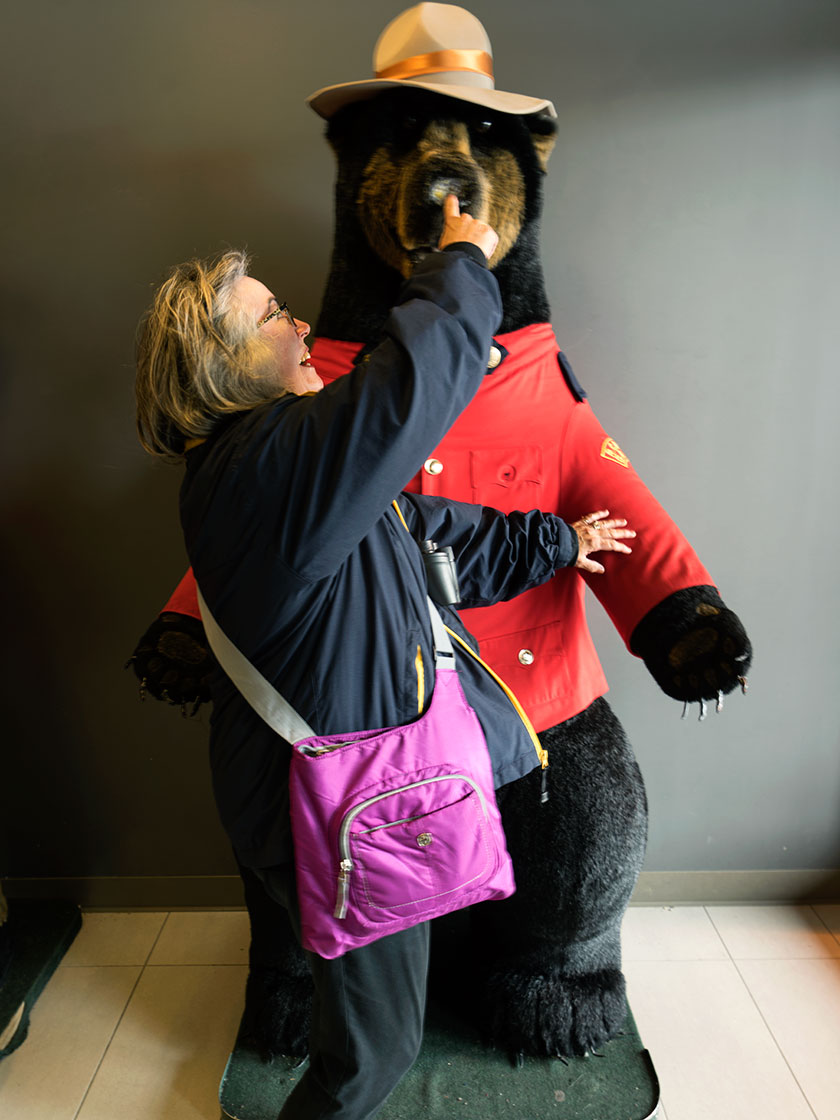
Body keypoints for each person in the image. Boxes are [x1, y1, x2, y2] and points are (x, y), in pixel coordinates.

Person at [135, 196, 634, 1120]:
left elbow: (432, 537)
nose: (301, 325)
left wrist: (558, 545)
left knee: (368, 1028)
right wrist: (458, 260)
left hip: (357, 802)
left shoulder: (294, 479)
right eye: (270, 315)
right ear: (219, 366)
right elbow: (411, 383)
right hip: (336, 816)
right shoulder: (264, 471)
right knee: (372, 1055)